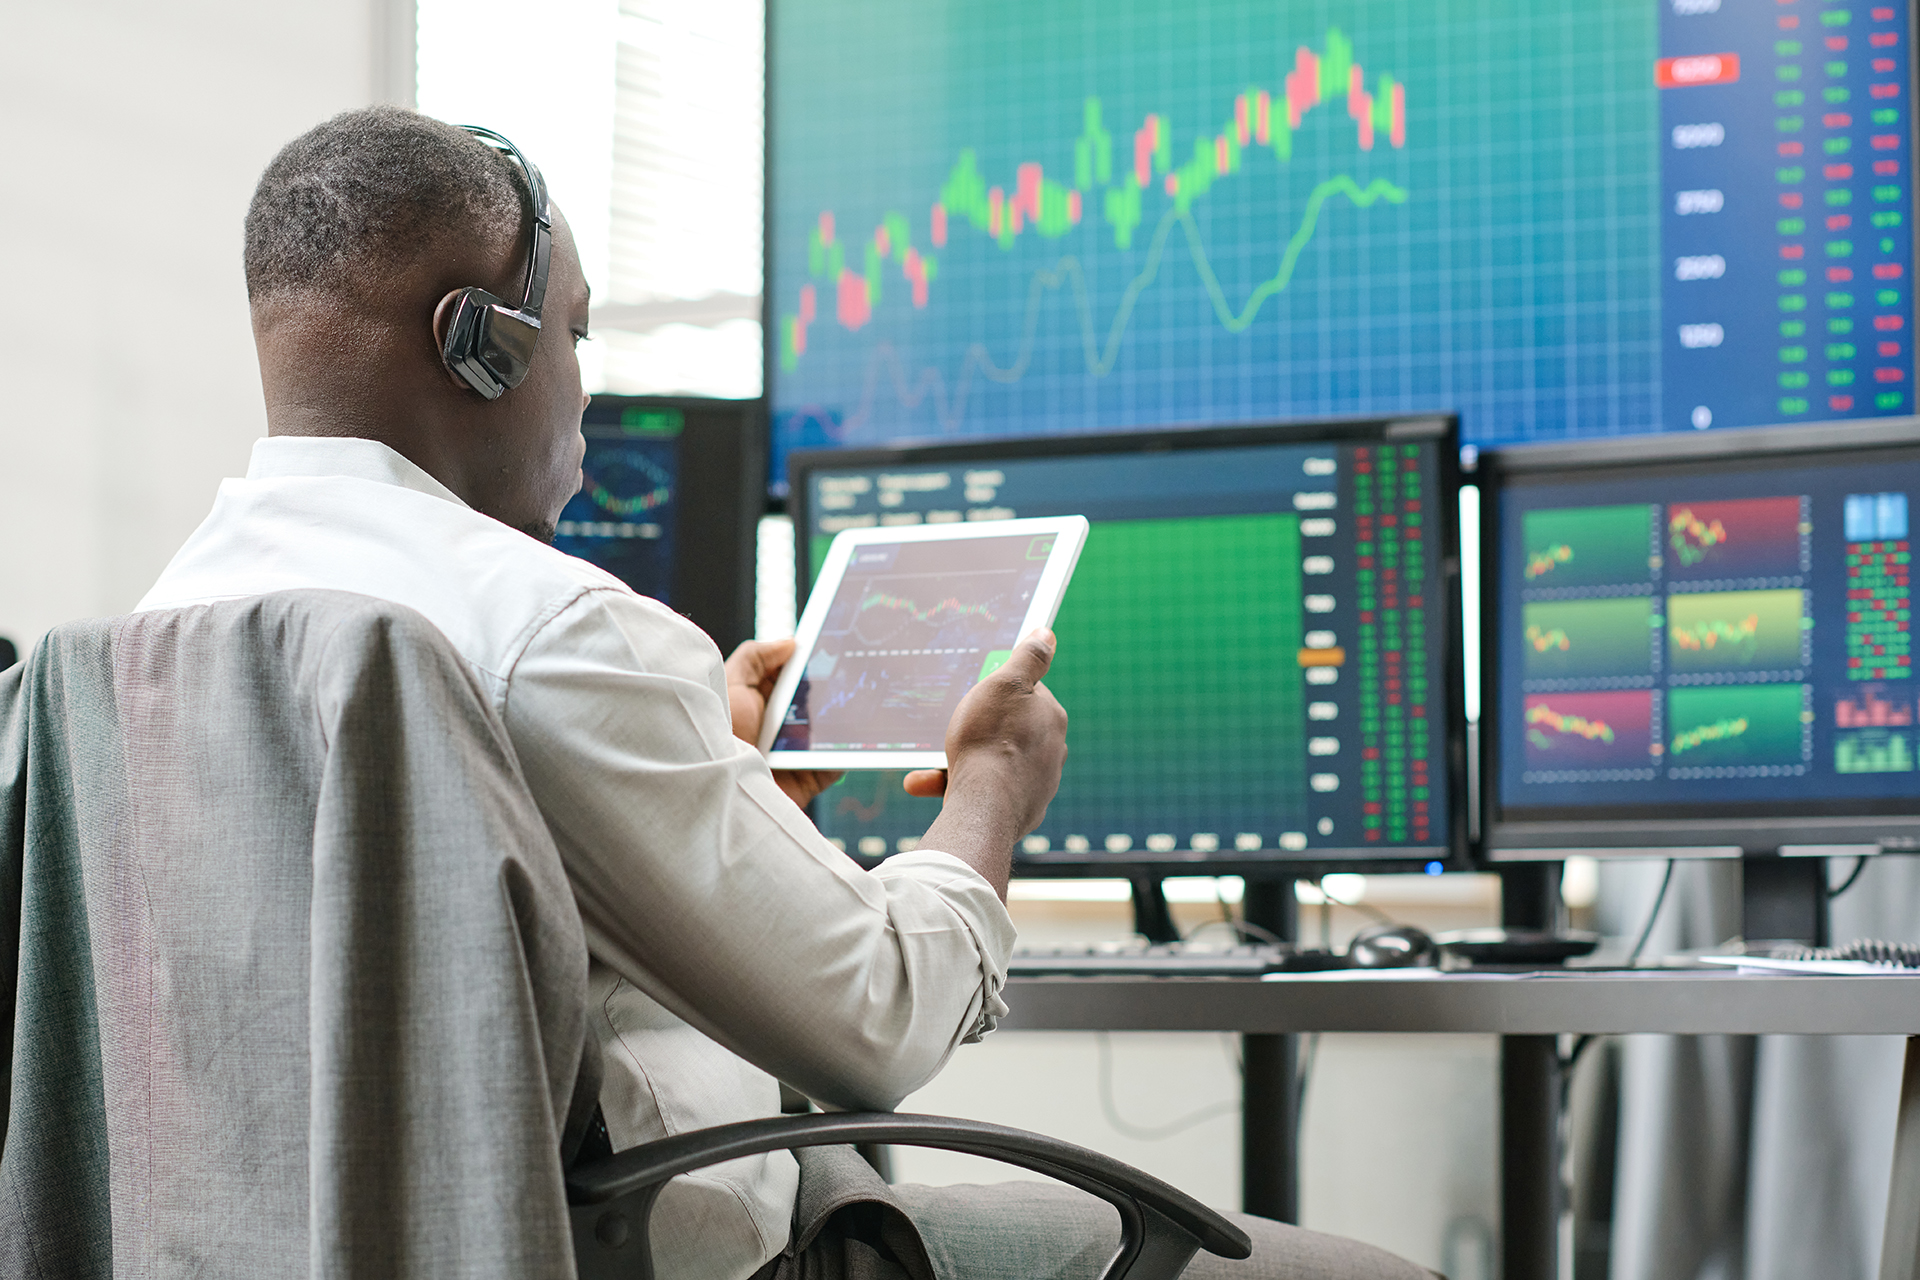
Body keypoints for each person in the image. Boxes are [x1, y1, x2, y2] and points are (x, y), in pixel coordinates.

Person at [139, 108, 1436, 1280]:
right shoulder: (549, 631)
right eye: (574, 333)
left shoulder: (156, 634)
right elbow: (872, 1025)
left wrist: (729, 779)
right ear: (479, 344)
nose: (584, 385)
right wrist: (988, 795)